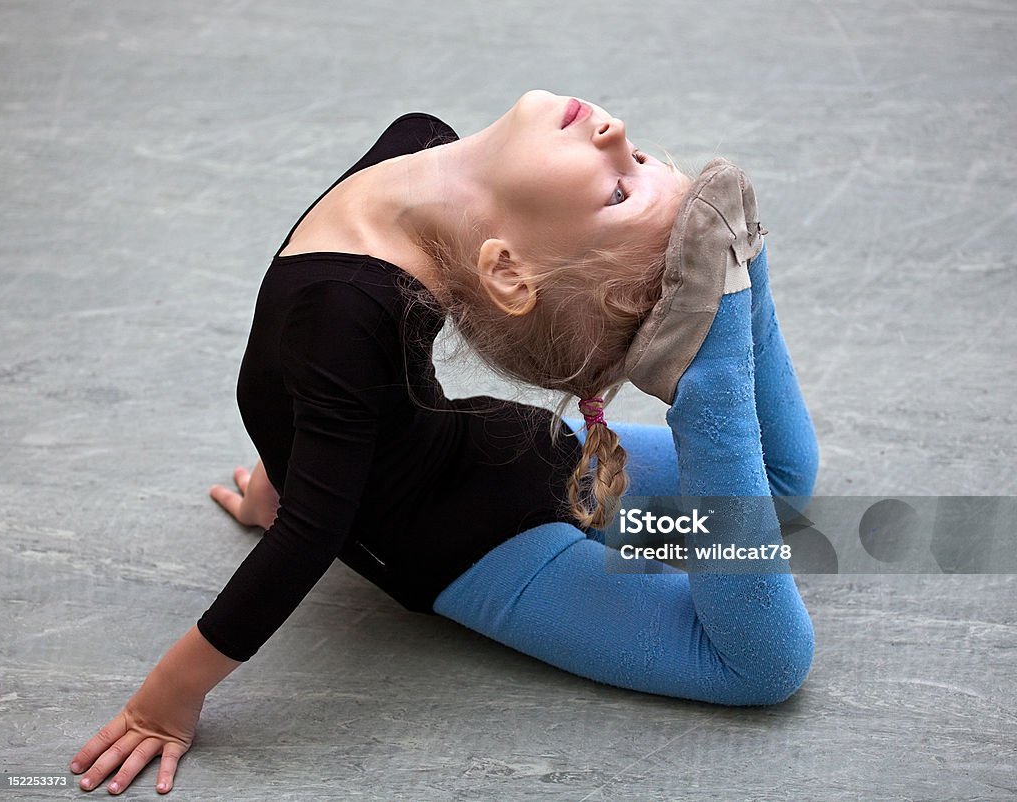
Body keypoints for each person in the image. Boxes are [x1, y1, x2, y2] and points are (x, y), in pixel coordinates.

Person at [69, 90, 819, 795]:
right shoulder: (419, 145)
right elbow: (305, 400)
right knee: (770, 557)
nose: (617, 134)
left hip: (485, 518)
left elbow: (311, 511)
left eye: (615, 191)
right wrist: (285, 476)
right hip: (487, 507)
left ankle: (717, 331)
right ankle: (725, 298)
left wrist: (160, 704)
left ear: (506, 268)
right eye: (640, 164)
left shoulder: (357, 286)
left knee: (763, 642)